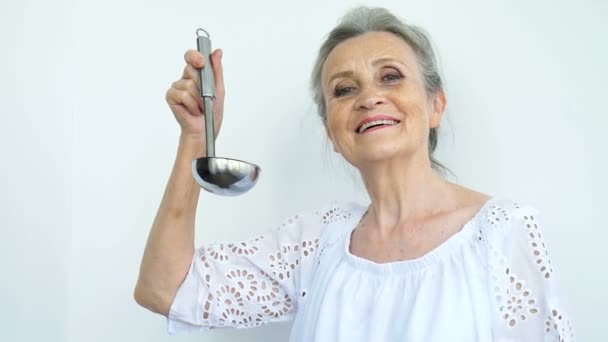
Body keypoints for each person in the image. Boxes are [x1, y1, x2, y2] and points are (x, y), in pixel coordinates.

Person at [134, 6, 574, 342]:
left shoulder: (502, 232)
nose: (369, 98)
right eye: (344, 89)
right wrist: (195, 137)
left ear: (435, 105)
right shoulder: (317, 243)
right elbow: (164, 289)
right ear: (332, 131)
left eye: (390, 77)